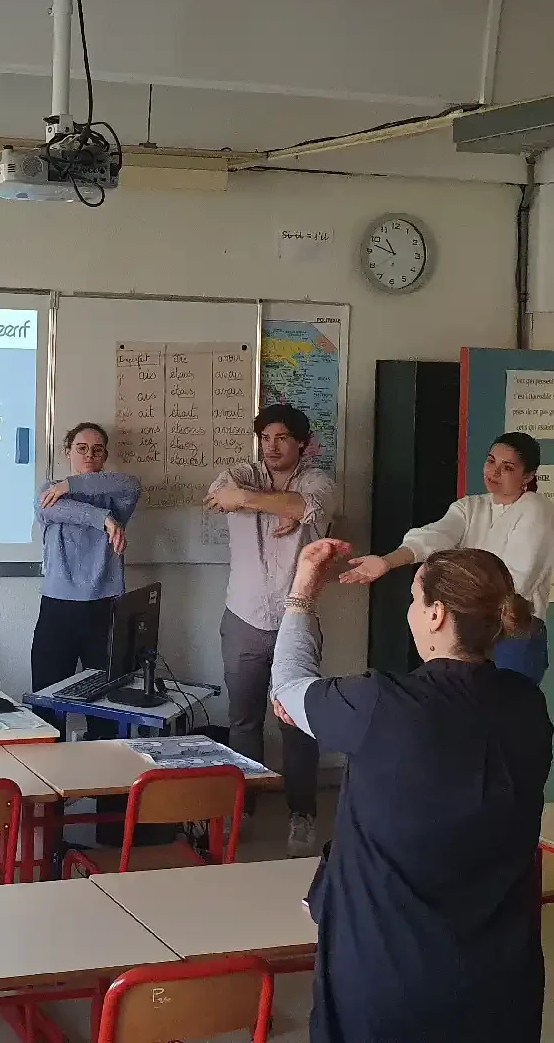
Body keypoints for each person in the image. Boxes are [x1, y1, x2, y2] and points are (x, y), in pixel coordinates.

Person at [272, 539, 550, 1043]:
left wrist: (302, 593)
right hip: (502, 987)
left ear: (437, 615)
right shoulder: (529, 708)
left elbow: (287, 685)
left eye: (414, 600)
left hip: (389, 989)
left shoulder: (381, 706)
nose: (410, 612)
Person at [204, 404, 335, 856]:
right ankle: (246, 805)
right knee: (243, 721)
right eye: (266, 437)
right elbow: (219, 494)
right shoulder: (240, 471)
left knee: (299, 723)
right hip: (241, 616)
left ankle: (302, 814)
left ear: (302, 442)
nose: (272, 446)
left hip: (296, 622)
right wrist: (273, 505)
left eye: (282, 437)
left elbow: (309, 505)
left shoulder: (318, 480)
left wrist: (259, 501)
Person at [343, 430, 554, 682]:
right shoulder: (471, 506)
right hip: (470, 630)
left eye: (507, 467)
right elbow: (434, 536)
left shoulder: (536, 508)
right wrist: (387, 562)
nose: (494, 472)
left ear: (528, 476)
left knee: (504, 715)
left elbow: (518, 580)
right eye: (490, 461)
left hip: (513, 634)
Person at [32, 423, 141, 708]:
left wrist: (71, 484)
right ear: (68, 452)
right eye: (81, 448)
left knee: (106, 707)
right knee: (48, 704)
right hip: (58, 609)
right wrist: (104, 518)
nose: (89, 455)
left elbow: (132, 485)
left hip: (105, 609)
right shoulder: (50, 492)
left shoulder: (116, 495)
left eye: (97, 450)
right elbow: (50, 507)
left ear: (105, 456)